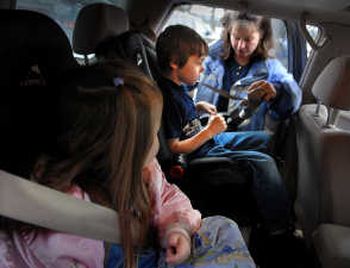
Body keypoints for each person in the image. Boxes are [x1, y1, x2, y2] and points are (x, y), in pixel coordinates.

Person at [0, 61, 255, 268]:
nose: (159, 141)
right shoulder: (60, 218)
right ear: (128, 151)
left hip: (158, 249)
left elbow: (168, 197)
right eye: (154, 133)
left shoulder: (147, 170)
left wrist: (177, 227)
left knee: (223, 226)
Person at [156, 25, 293, 266]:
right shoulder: (166, 97)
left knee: (264, 139)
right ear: (175, 63)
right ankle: (279, 228)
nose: (201, 68)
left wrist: (197, 109)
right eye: (197, 63)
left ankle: (268, 191)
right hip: (201, 150)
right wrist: (209, 131)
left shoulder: (176, 89)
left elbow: (182, 117)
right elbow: (175, 147)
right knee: (263, 161)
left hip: (206, 137)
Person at [194, 12, 302, 131]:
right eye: (236, 37)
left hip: (242, 141)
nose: (241, 46)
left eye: (248, 39)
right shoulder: (209, 58)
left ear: (261, 35)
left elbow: (293, 101)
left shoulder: (271, 68)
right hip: (202, 135)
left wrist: (277, 92)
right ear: (229, 32)